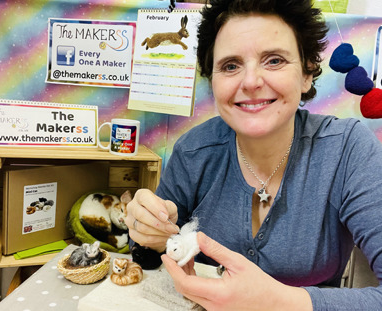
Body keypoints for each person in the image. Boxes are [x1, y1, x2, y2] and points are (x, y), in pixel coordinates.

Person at [125, 0, 382, 310]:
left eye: (274, 60)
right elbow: (149, 258)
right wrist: (147, 233)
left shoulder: (349, 150)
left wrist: (276, 301)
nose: (250, 82)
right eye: (230, 66)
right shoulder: (193, 151)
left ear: (307, 73)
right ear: (213, 80)